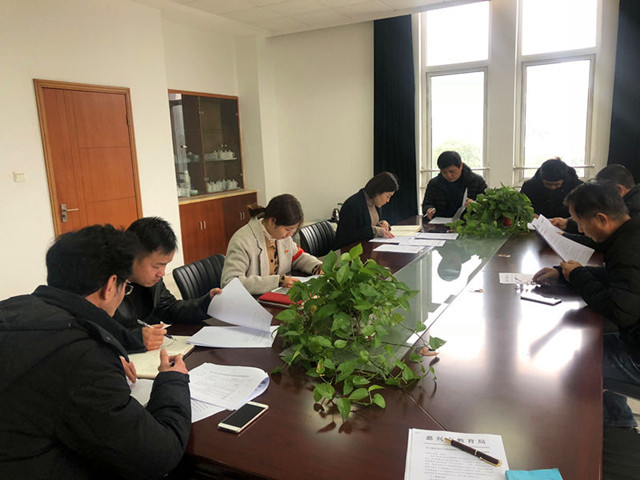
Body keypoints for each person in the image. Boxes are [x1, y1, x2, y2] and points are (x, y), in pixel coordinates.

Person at [0, 225, 191, 479]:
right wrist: (172, 380)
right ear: (111, 285)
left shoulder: (13, 308)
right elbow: (160, 455)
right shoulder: (83, 358)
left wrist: (101, 359)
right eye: (126, 286)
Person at [532, 182, 640, 427]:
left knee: (577, 366)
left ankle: (592, 433)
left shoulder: (628, 248)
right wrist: (565, 274)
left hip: (636, 353)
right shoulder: (630, 233)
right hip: (634, 337)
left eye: (580, 222)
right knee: (586, 343)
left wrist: (579, 276)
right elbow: (621, 281)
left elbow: (619, 312)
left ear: (601, 218)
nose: (579, 230)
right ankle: (617, 418)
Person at [114, 217, 221, 353]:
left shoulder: (151, 280)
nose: (162, 273)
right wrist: (132, 339)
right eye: (157, 266)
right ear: (131, 257)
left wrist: (206, 303)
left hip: (152, 354)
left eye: (165, 265)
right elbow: (95, 335)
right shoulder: (105, 285)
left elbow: (169, 308)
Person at [221, 194, 322, 295]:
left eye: (293, 229)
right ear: (272, 221)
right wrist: (278, 281)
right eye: (287, 229)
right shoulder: (242, 240)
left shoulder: (282, 237)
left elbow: (298, 257)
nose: (290, 234)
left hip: (278, 296)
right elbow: (230, 282)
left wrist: (317, 266)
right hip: (252, 300)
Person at [551, 164, 640, 237]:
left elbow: (606, 240)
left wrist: (566, 235)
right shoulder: (629, 201)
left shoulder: (634, 210)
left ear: (618, 189)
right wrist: (568, 224)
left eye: (603, 192)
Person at [335, 171, 399, 248]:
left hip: (367, 247)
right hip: (349, 250)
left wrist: (382, 224)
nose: (388, 200)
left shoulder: (375, 202)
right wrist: (375, 231)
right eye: (388, 196)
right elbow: (349, 235)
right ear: (378, 191)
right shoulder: (353, 205)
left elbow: (370, 225)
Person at [421, 151, 487, 220]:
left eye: (452, 171)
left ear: (461, 166)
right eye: (444, 172)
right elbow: (426, 204)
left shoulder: (477, 181)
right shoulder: (434, 184)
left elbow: (487, 207)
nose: (448, 175)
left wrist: (475, 205)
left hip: (469, 223)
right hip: (440, 222)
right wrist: (428, 209)